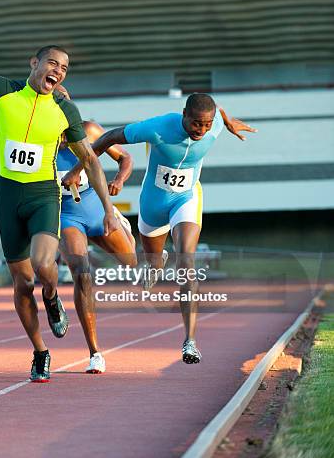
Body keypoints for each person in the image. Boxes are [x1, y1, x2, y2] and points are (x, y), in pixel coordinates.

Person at [0, 0, 119, 383]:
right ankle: (40, 351)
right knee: (21, 284)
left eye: (65, 68)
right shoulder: (2, 92)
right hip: (9, 197)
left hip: (42, 196)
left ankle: (53, 298)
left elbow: (90, 159)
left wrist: (108, 207)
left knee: (42, 266)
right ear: (33, 64)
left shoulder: (65, 111)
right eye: (53, 62)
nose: (59, 70)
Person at [63, 93, 256, 364]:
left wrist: (228, 120)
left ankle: (190, 342)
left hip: (185, 199)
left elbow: (218, 111)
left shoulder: (215, 127)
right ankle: (155, 265)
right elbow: (109, 139)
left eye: (207, 124)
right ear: (184, 115)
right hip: (153, 204)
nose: (201, 130)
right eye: (196, 124)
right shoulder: (158, 127)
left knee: (186, 261)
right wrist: (78, 168)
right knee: (151, 259)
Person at [54, 94, 137, 373]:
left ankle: (122, 225)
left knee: (131, 264)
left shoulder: (89, 130)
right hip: (66, 215)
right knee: (82, 272)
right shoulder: (40, 139)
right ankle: (95, 353)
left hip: (94, 207)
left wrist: (119, 179)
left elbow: (125, 157)